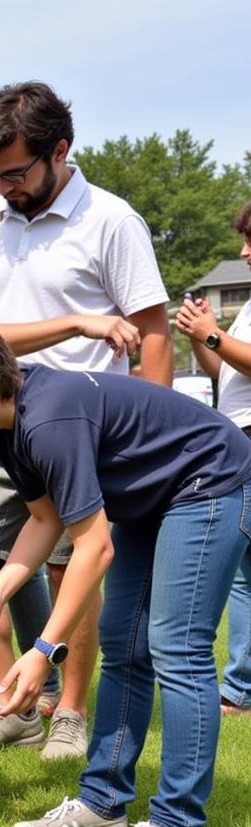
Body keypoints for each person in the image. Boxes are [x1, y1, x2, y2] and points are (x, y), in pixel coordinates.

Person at [0, 320, 251, 827]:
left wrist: (43, 651)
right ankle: (103, 801)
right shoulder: (2, 426)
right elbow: (44, 520)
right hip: (150, 498)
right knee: (124, 644)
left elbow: (93, 549)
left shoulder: (49, 419)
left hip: (207, 480)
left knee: (177, 648)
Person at [0, 81, 171, 759]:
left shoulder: (112, 220)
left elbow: (153, 333)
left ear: (59, 151)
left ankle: (69, 711)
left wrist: (145, 437)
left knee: (77, 566)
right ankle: (15, 702)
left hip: (85, 428)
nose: (5, 186)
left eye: (16, 171)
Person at [176, 198, 251, 714]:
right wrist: (203, 335)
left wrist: (212, 334)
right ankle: (242, 687)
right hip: (239, 434)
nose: (244, 253)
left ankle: (241, 686)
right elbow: (222, 370)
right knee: (245, 571)